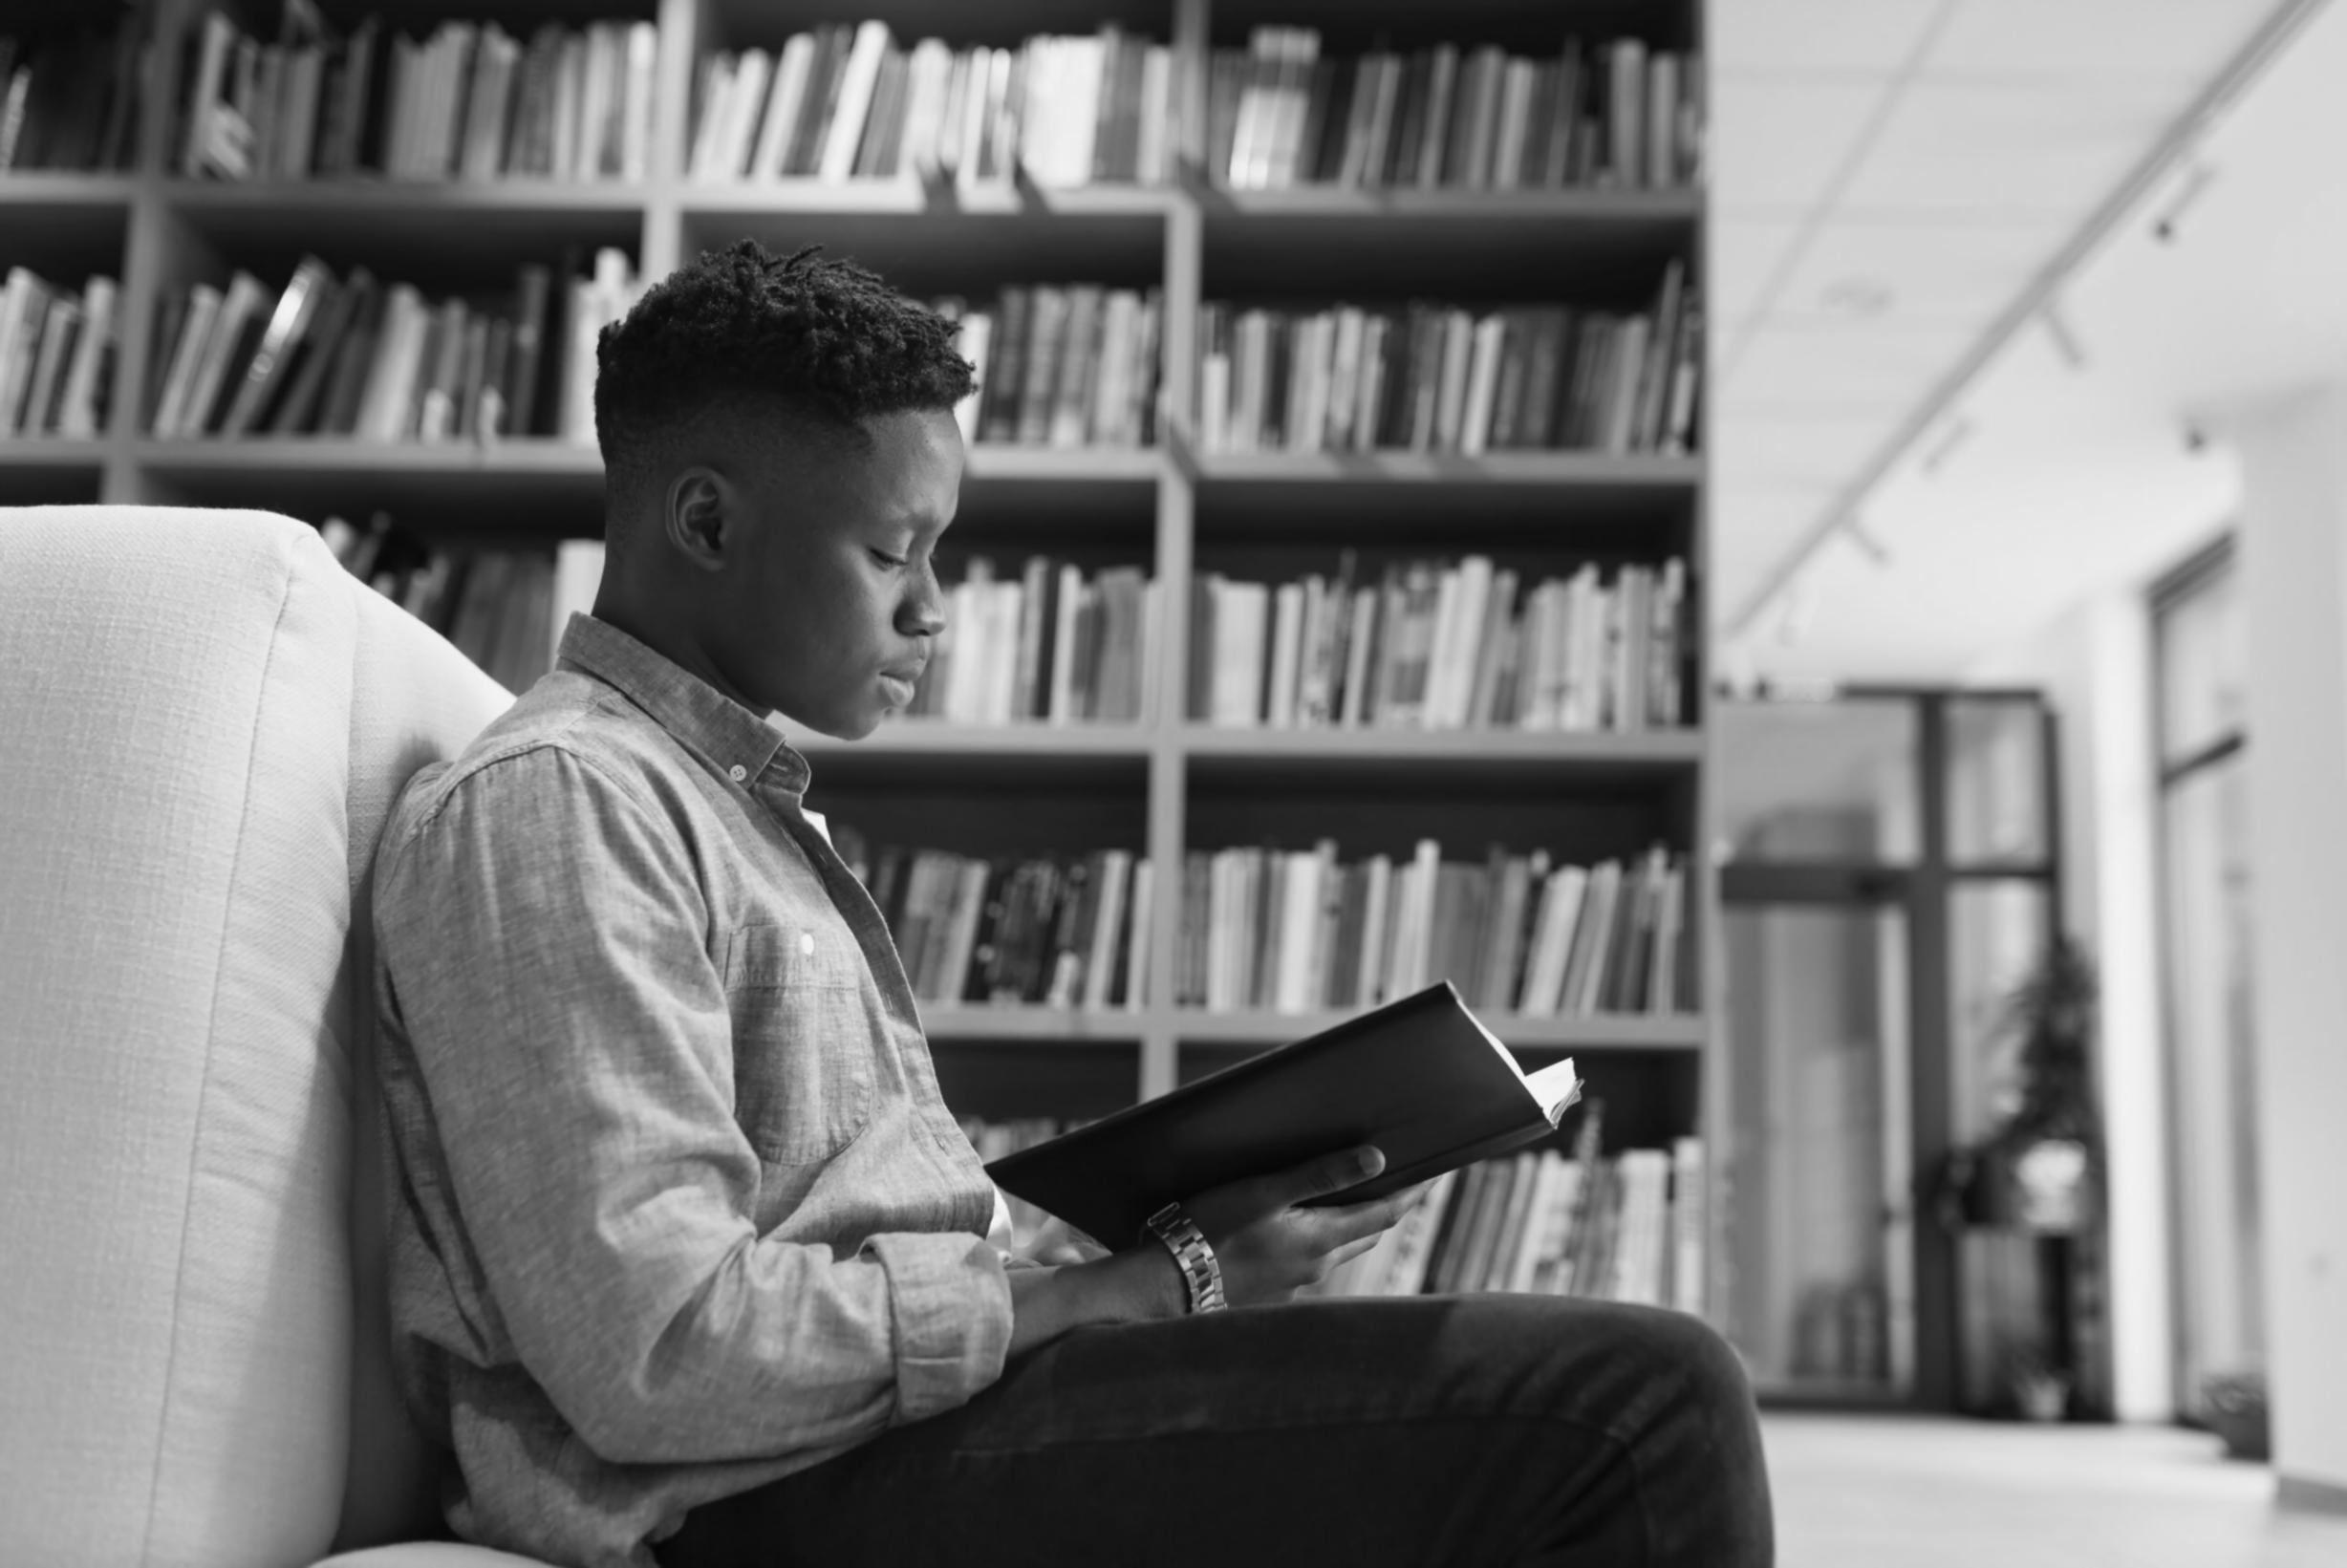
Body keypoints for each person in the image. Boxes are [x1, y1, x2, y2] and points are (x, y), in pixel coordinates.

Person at [371, 239, 1773, 1568]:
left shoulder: (737, 806)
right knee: (1639, 1409)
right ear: (705, 519)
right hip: (749, 1500)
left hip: (865, 1443)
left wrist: (1111, 1253)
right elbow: (658, 1351)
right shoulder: (562, 801)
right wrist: (1127, 1289)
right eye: (892, 551)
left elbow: (823, 1249)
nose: (934, 611)